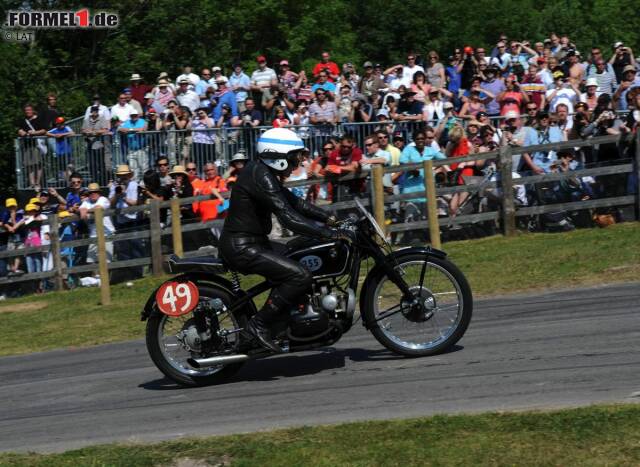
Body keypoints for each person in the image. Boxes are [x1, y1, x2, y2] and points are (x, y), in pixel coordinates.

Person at [219, 128, 345, 353]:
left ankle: (284, 320)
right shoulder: (260, 175)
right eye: (293, 156)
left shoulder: (262, 173)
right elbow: (288, 217)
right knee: (299, 275)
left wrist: (331, 218)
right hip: (243, 247)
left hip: (254, 243)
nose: (296, 161)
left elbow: (296, 203)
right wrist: (328, 234)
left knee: (299, 253)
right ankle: (257, 327)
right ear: (277, 155)